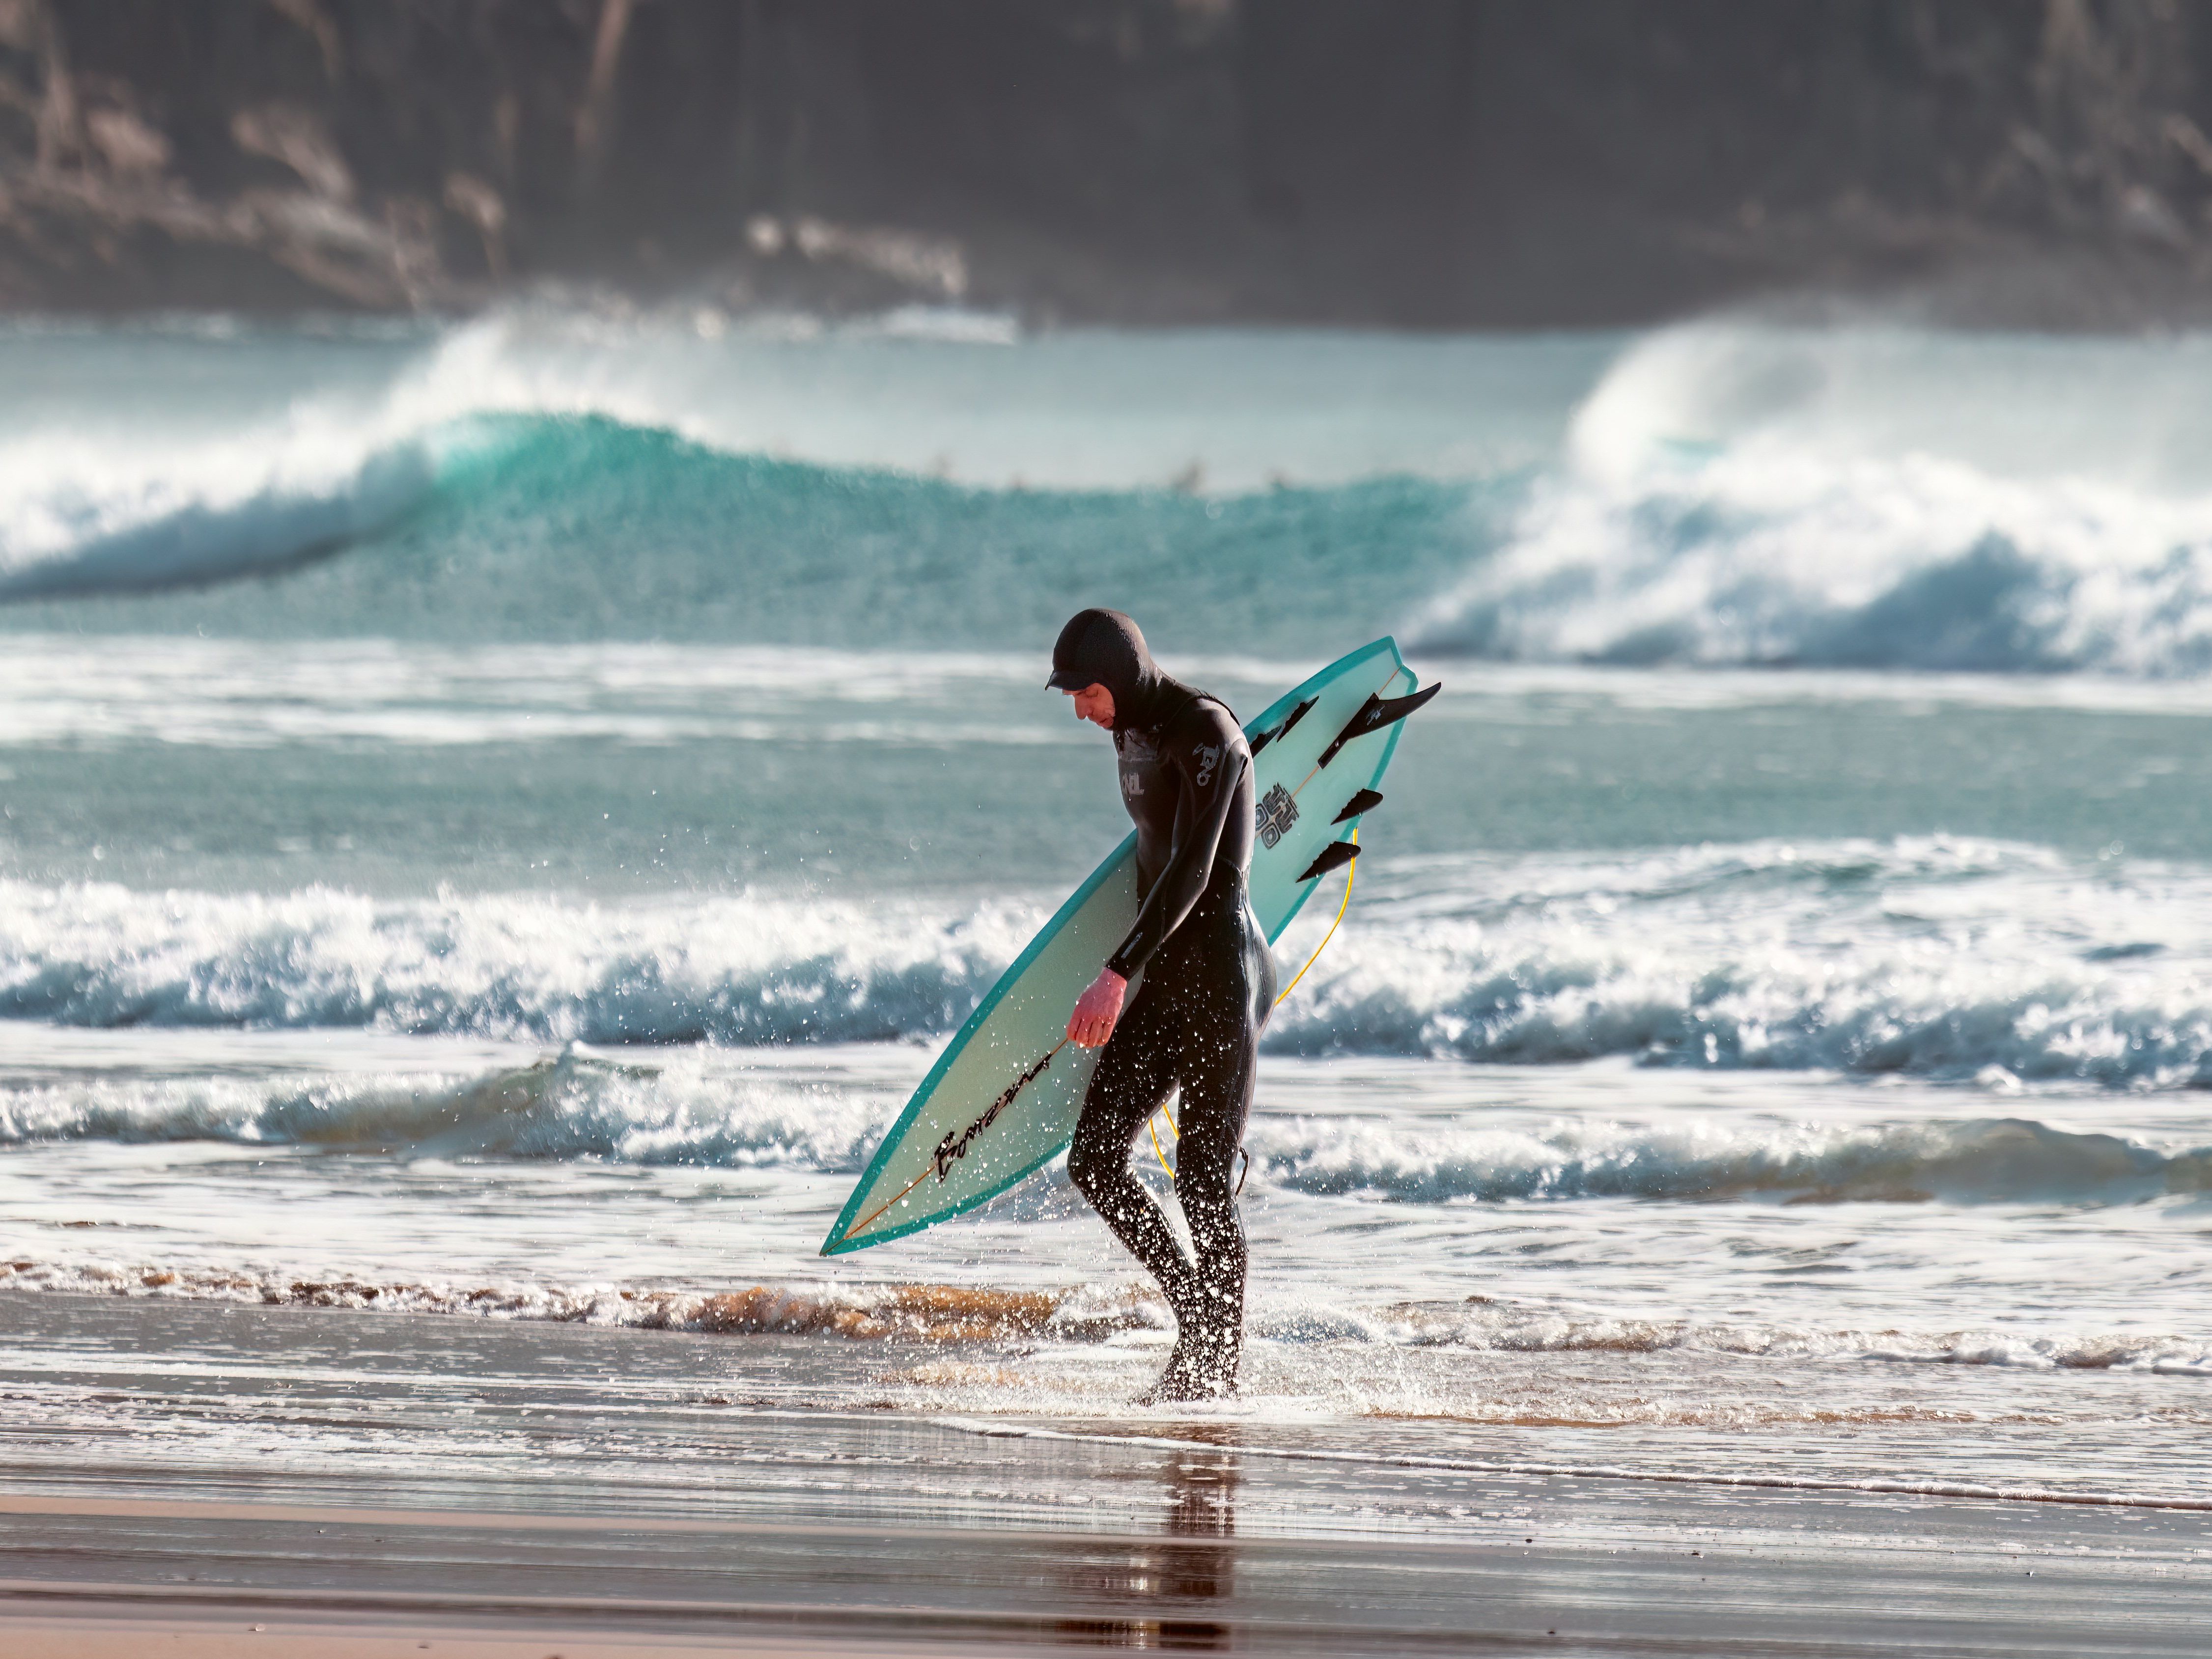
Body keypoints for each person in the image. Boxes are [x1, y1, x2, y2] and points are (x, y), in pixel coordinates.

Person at [1049, 608, 1274, 1401]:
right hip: (1165, 980)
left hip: (1220, 978)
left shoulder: (1208, 732)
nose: (1080, 708)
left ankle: (1216, 1367)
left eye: (1087, 691)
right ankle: (1193, 1309)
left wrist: (1116, 973)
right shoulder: (1130, 731)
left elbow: (1192, 868)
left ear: (1123, 676)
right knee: (1096, 1159)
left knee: (1204, 1182)